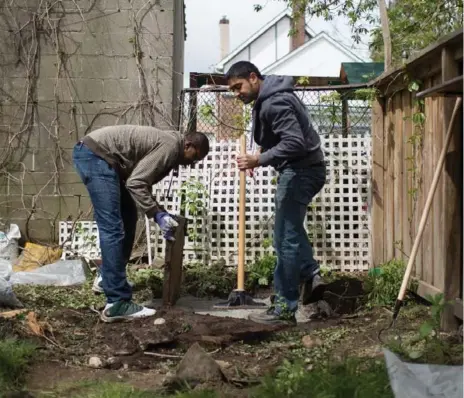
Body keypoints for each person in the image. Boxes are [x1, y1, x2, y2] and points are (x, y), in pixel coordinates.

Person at [72, 125, 210, 323]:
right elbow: (136, 183)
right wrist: (157, 215)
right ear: (188, 145)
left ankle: (107, 279)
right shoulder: (171, 146)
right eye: (194, 157)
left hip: (102, 158)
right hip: (97, 157)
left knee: (128, 216)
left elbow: (138, 183)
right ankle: (117, 302)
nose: (192, 164)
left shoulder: (171, 144)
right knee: (112, 227)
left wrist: (160, 212)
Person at [226, 61, 327, 325]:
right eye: (233, 90)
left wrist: (258, 160)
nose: (237, 94)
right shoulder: (274, 97)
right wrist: (261, 156)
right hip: (304, 169)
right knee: (289, 230)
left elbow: (294, 142)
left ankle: (285, 306)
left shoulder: (273, 103)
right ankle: (312, 274)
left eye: (239, 87)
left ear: (253, 77)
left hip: (301, 172)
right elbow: (287, 140)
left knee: (285, 239)